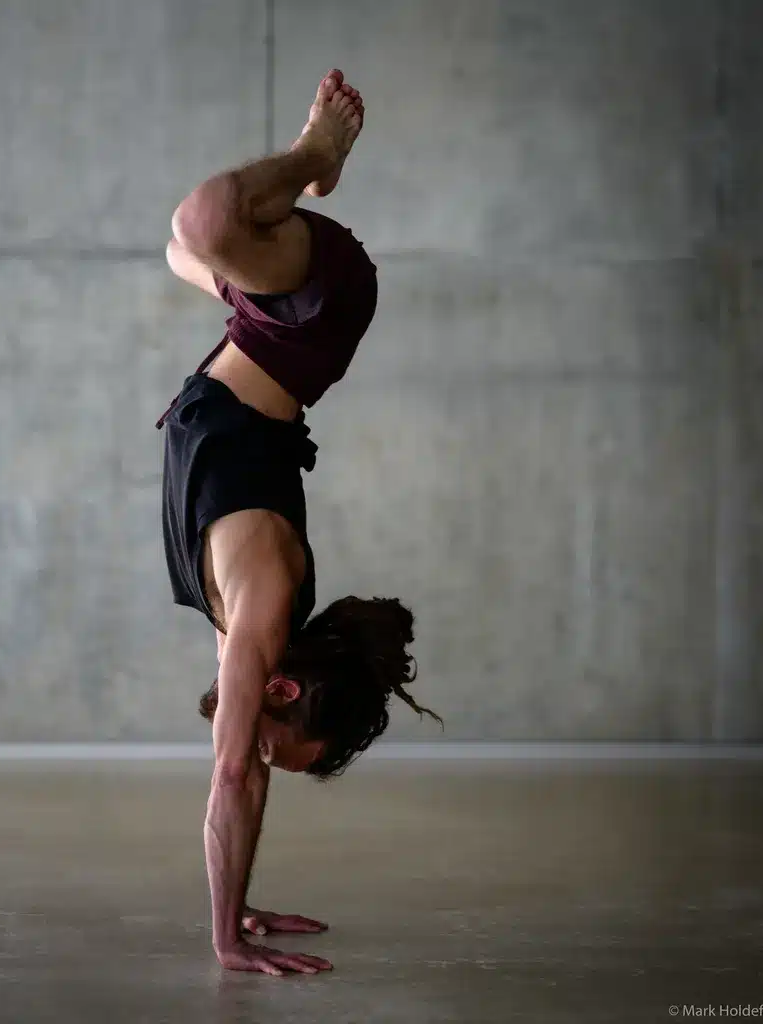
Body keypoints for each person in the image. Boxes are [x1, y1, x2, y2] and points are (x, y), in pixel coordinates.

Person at [156, 69, 441, 976]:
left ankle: (289, 197)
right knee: (204, 223)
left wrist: (238, 904)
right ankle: (318, 156)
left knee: (177, 250)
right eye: (277, 741)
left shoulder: (249, 628)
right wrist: (221, 940)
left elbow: (244, 765)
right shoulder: (262, 611)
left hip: (263, 331)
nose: (252, 751)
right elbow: (235, 775)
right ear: (280, 691)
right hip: (312, 320)